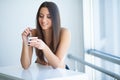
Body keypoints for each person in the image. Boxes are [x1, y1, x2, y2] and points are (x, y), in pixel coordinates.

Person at [20, 1, 71, 70]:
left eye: (49, 17)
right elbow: (25, 66)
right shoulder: (34, 32)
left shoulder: (64, 32)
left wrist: (44, 47)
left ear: (55, 18)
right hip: (42, 71)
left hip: (59, 72)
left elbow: (57, 65)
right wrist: (25, 41)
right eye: (41, 16)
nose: (44, 20)